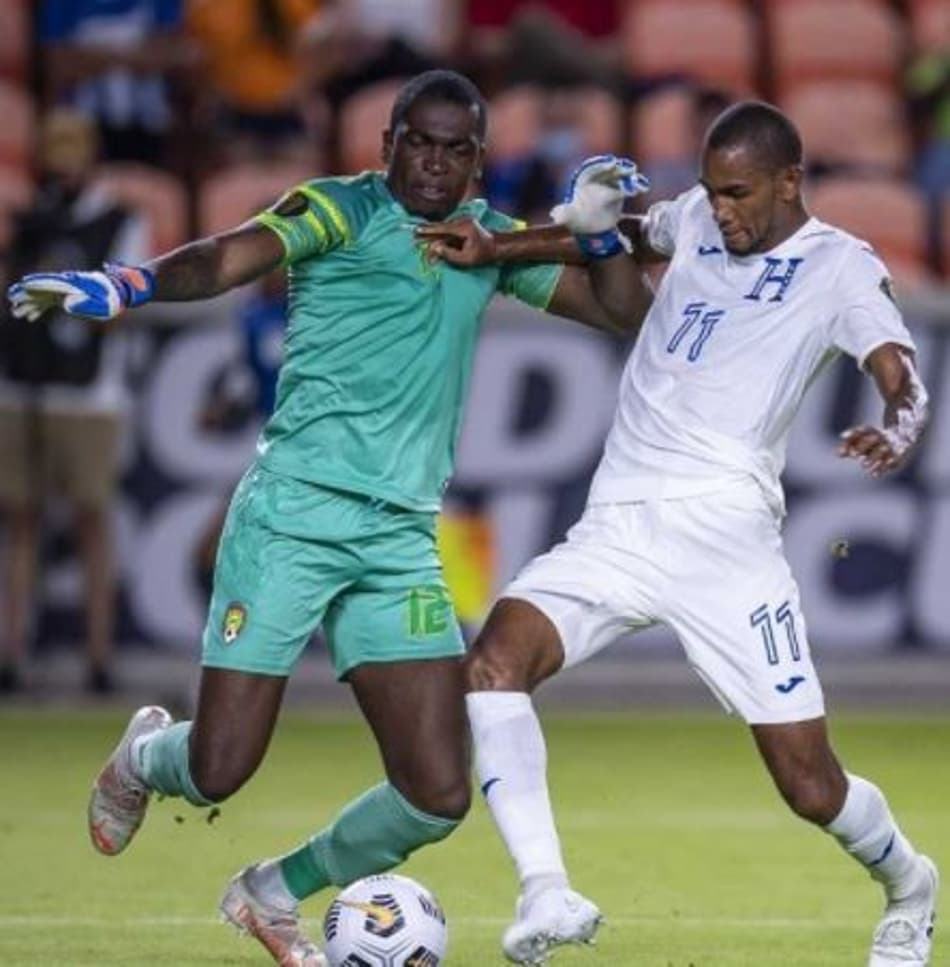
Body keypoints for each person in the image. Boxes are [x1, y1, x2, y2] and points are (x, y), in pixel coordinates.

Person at [6, 71, 650, 966]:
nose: (432, 163)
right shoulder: (338, 210)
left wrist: (601, 232)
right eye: (417, 143)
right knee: (221, 766)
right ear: (385, 144)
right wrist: (129, 284)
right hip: (291, 520)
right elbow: (231, 255)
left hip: (397, 540)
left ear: (478, 162)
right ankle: (149, 756)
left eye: (454, 148)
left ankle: (272, 890)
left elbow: (626, 312)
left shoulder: (490, 241)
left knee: (435, 791)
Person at [419, 101, 939, 966]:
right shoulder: (696, 217)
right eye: (711, 190)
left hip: (726, 539)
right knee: (494, 662)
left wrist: (900, 425)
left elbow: (900, 372)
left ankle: (909, 882)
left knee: (809, 784)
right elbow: (628, 233)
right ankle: (546, 890)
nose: (721, 209)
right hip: (619, 518)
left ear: (787, 182)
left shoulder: (840, 268)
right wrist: (506, 244)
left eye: (738, 194)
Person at [0, 108, 149, 695]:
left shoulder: (120, 222)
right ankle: (12, 653)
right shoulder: (30, 221)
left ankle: (98, 657)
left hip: (91, 395)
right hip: (23, 386)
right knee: (21, 521)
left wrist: (62, 297)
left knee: (92, 522)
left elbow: (121, 310)